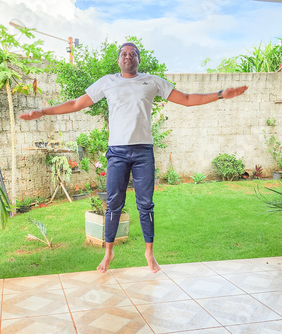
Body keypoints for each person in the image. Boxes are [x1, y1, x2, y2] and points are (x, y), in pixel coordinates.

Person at [19, 42, 248, 274]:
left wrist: (220, 95)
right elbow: (77, 103)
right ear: (118, 60)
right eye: (124, 54)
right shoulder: (107, 82)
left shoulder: (152, 82)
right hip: (117, 152)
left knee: (146, 204)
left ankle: (149, 254)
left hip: (143, 152)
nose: (128, 57)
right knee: (113, 204)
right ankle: (108, 253)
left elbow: (187, 99)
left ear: (139, 59)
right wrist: (43, 112)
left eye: (133, 54)